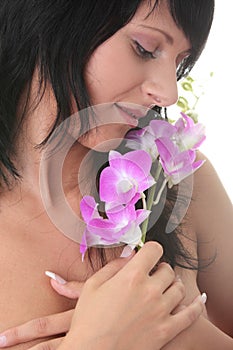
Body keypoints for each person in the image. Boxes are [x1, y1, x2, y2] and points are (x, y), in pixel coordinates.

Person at [0, 0, 233, 349]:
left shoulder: (178, 181)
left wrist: (183, 331)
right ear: (52, 17)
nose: (168, 92)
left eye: (180, 62)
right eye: (145, 48)